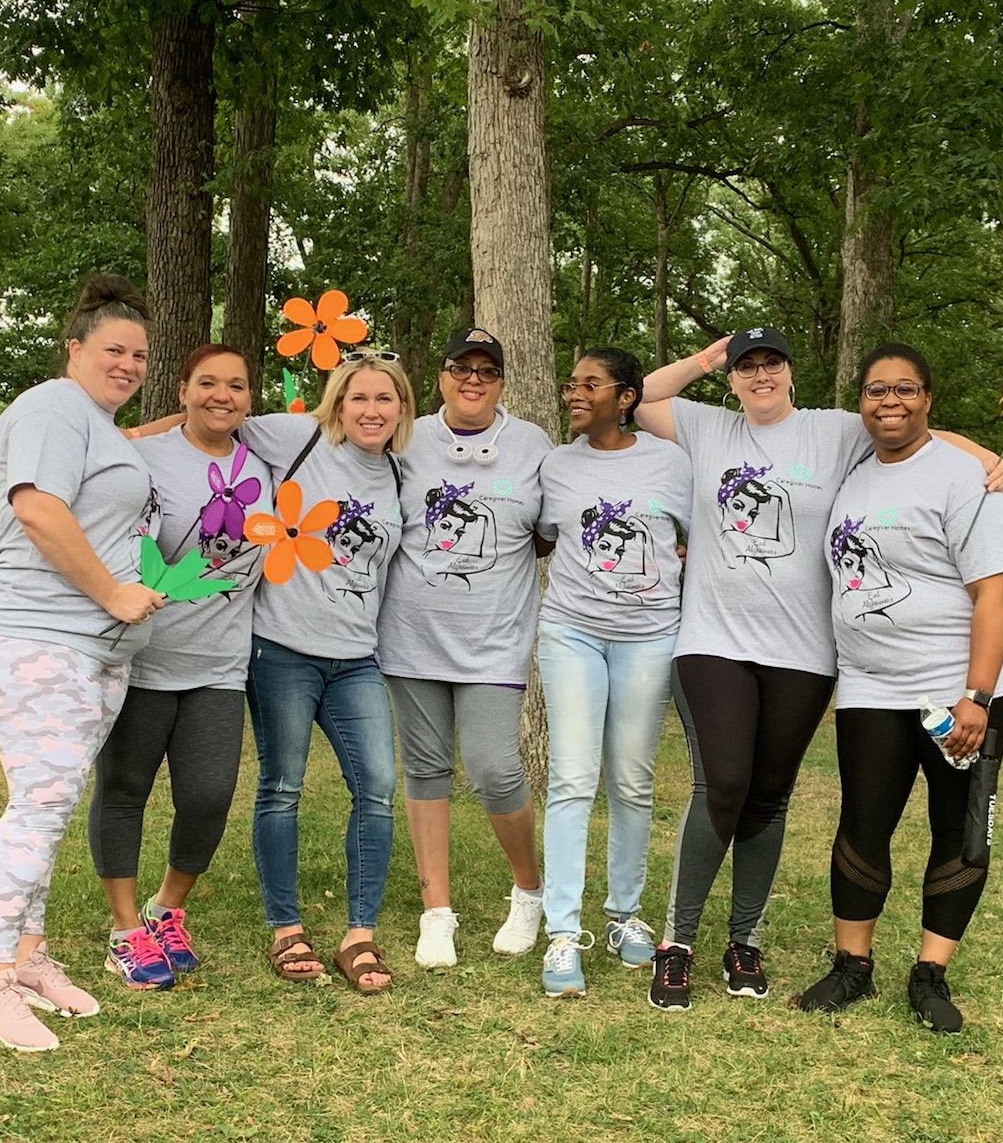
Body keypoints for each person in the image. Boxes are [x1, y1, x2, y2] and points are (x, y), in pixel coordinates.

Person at [632, 327, 1003, 1011]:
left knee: (773, 794)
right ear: (732, 378)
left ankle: (750, 940)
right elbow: (644, 399)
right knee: (725, 783)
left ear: (792, 370)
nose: (760, 374)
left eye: (771, 361)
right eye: (747, 366)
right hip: (724, 641)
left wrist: (986, 455)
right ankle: (679, 942)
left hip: (807, 653)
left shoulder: (835, 432)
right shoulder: (710, 426)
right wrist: (705, 358)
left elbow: (908, 431)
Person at [0, 275, 164, 1051]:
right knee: (39, 805)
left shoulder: (101, 425)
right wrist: (111, 592)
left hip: (91, 651)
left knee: (51, 802)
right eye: (114, 349)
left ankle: (30, 957)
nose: (129, 363)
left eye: (140, 355)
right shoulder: (51, 405)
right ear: (74, 349)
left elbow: (127, 453)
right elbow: (37, 507)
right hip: (41, 636)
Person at [794, 343, 1003, 1034]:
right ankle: (851, 968)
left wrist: (976, 698)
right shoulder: (855, 466)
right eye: (876, 390)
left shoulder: (965, 480)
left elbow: (994, 594)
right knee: (864, 821)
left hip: (961, 687)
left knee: (956, 824)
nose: (889, 402)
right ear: (859, 400)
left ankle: (930, 973)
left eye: (906, 390)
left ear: (929, 398)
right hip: (870, 681)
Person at [88, 344, 271, 991]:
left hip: (220, 666)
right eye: (208, 384)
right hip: (138, 657)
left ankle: (166, 907)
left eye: (236, 386)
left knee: (208, 797)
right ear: (183, 389)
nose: (222, 396)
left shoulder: (267, 464)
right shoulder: (142, 456)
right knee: (124, 790)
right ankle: (123, 931)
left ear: (252, 398)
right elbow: (74, 498)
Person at [375, 329, 554, 970]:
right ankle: (437, 913)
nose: (473, 379)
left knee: (492, 767)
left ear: (502, 381)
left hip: (493, 642)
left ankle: (530, 892)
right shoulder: (408, 435)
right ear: (442, 375)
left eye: (487, 370)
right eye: (460, 367)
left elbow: (552, 529)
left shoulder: (531, 444)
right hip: (410, 636)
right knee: (425, 770)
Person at [239, 353, 412, 994]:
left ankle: (359, 934)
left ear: (401, 409)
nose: (371, 411)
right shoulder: (298, 438)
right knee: (282, 785)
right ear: (337, 404)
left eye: (385, 400)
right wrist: (105, 447)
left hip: (356, 658)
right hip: (281, 647)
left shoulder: (399, 471)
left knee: (377, 786)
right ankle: (286, 929)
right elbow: (205, 421)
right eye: (359, 398)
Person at [533, 348, 692, 997]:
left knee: (631, 780)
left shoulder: (672, 463)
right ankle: (562, 934)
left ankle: (625, 916)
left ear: (626, 398)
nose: (575, 393)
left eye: (590, 385)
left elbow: (699, 537)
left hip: (650, 639)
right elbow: (544, 536)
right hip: (570, 633)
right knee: (572, 778)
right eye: (571, 383)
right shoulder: (556, 465)